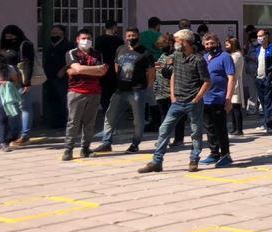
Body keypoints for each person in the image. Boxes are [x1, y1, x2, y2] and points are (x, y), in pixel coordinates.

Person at [139, 29, 210, 174]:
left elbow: (207, 81)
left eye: (177, 40)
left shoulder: (198, 59)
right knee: (164, 129)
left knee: (195, 132)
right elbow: (173, 75)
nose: (174, 43)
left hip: (193, 102)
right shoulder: (177, 55)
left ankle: (194, 159)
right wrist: (172, 94)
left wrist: (197, 98)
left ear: (184, 42)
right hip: (177, 101)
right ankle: (157, 161)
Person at [97, 27, 153, 153]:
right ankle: (106, 142)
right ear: (125, 37)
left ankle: (135, 144)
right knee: (110, 115)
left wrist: (145, 87)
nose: (131, 38)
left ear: (138, 36)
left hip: (137, 90)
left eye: (133, 36)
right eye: (129, 36)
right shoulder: (120, 49)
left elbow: (151, 73)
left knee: (138, 119)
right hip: (120, 90)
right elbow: (117, 66)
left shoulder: (145, 52)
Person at [62, 29, 108, 161]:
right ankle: (68, 149)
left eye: (88, 38)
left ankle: (85, 148)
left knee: (90, 122)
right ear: (77, 39)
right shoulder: (72, 53)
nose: (86, 40)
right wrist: (93, 69)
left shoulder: (97, 54)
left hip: (94, 92)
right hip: (76, 92)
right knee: (73, 122)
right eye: (83, 38)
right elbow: (77, 68)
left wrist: (79, 70)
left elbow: (102, 72)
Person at [200, 33, 235, 167]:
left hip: (219, 98)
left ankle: (225, 154)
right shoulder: (204, 58)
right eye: (207, 44)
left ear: (218, 43)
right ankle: (214, 153)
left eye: (212, 43)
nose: (210, 46)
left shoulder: (225, 57)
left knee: (220, 128)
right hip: (206, 99)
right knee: (209, 128)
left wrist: (228, 98)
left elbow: (231, 78)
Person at [0, 25, 36, 148]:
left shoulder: (25, 45)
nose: (9, 38)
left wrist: (27, 82)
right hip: (7, 82)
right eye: (7, 36)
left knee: (24, 106)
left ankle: (24, 135)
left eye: (12, 36)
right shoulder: (4, 46)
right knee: (11, 107)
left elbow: (29, 63)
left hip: (21, 80)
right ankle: (14, 133)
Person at [41, 24, 75, 131]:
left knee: (63, 101)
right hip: (49, 78)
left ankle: (65, 123)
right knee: (52, 100)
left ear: (62, 34)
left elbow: (72, 61)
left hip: (62, 78)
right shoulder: (50, 47)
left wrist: (63, 69)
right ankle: (54, 123)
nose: (53, 35)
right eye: (52, 33)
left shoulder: (68, 46)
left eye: (56, 33)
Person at [249, 29, 272, 134]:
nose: (259, 38)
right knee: (262, 101)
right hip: (259, 78)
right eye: (258, 36)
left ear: (266, 36)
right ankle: (266, 122)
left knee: (268, 101)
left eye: (261, 36)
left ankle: (269, 124)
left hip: (268, 78)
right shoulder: (258, 49)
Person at [95, 20, 123, 111]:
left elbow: (97, 54)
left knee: (104, 93)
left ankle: (106, 110)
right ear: (114, 27)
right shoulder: (119, 40)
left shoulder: (99, 39)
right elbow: (121, 55)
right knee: (115, 92)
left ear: (105, 28)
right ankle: (114, 110)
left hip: (104, 68)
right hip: (116, 68)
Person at [225, 36, 246, 135]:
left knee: (236, 107)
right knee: (232, 107)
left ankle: (239, 129)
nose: (226, 46)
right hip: (231, 82)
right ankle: (234, 128)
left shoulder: (236, 56)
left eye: (227, 44)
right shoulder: (232, 55)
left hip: (235, 82)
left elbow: (230, 69)